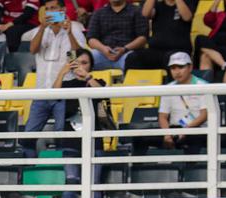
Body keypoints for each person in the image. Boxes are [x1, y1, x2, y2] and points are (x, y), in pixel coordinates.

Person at [23, 0, 87, 138]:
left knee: (62, 136)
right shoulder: (41, 30)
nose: (50, 11)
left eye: (54, 8)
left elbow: (78, 55)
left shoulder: (74, 28)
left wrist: (69, 33)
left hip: (63, 92)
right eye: (47, 9)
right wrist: (42, 27)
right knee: (28, 137)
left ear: (62, 10)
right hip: (41, 92)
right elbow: (33, 50)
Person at [156, 52, 208, 152]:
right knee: (142, 137)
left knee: (190, 139)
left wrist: (186, 129)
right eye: (173, 68)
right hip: (174, 129)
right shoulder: (168, 88)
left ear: (190, 67)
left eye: (180, 67)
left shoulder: (202, 85)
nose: (177, 72)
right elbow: (162, 116)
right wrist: (167, 134)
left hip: (197, 128)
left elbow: (204, 115)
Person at [129, 0, 194, 70]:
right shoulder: (157, 4)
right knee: (133, 57)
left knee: (171, 59)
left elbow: (187, 17)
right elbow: (146, 14)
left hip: (179, 50)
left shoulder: (187, 2)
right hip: (156, 50)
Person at [86, 0, 149, 70]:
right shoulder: (98, 13)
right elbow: (91, 39)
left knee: (134, 59)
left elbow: (143, 38)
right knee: (84, 59)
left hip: (128, 52)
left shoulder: (137, 11)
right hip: (103, 53)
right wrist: (103, 49)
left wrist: (124, 49)